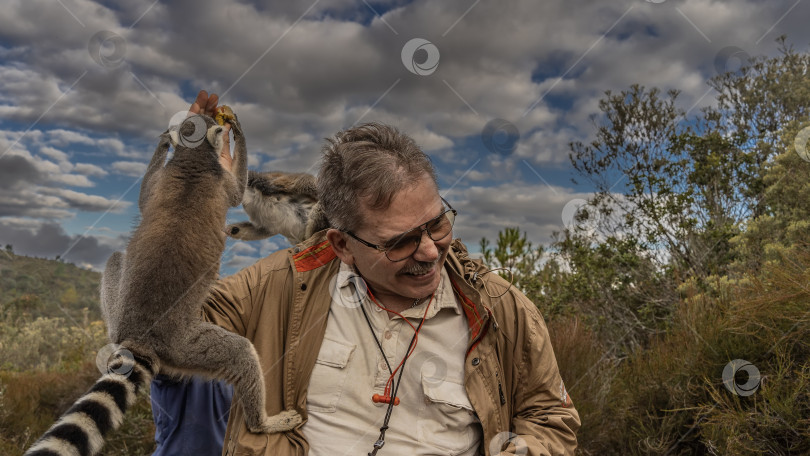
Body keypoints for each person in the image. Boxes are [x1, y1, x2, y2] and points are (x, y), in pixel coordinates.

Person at [188, 90, 580, 455]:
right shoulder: (274, 287)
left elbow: (549, 418)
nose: (429, 250)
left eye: (439, 224)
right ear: (342, 246)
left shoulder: (503, 310)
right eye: (400, 242)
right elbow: (162, 326)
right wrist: (194, 192)